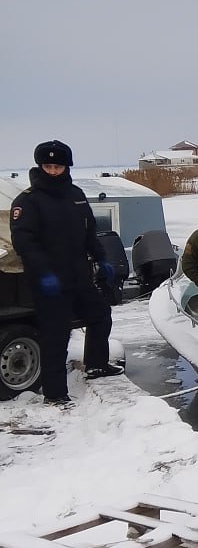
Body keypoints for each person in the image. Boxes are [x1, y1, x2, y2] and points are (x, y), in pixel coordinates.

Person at [10, 140, 121, 405]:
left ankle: (96, 365)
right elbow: (25, 243)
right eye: (47, 166)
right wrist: (44, 273)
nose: (52, 171)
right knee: (56, 336)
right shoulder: (28, 201)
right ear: (40, 166)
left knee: (100, 315)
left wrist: (102, 259)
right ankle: (55, 393)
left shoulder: (77, 196)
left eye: (57, 166)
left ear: (66, 167)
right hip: (49, 282)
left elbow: (89, 235)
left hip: (79, 276)